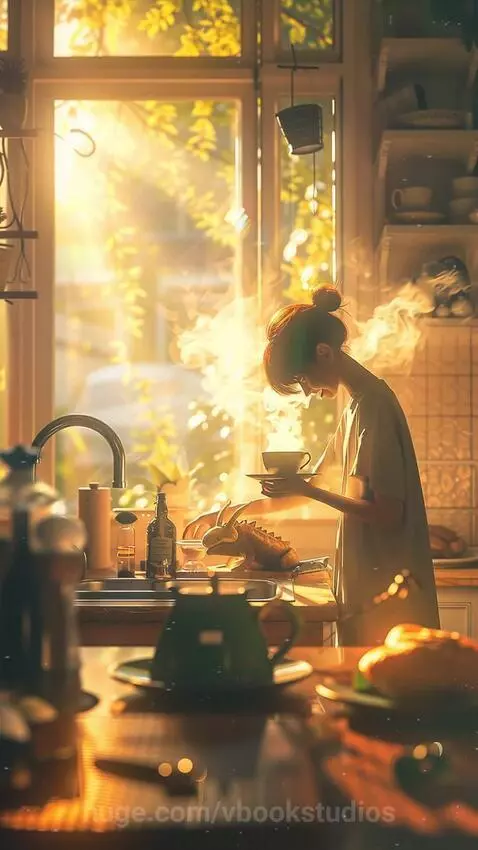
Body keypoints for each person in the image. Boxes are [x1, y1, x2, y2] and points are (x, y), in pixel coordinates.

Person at [184, 287, 440, 646]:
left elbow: (387, 514)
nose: (307, 391)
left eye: (303, 379)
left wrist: (307, 489)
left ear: (324, 353)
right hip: (367, 593)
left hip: (391, 604)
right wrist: (226, 517)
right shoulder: (355, 410)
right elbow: (307, 490)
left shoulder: (375, 409)